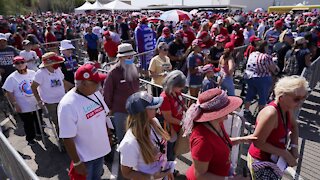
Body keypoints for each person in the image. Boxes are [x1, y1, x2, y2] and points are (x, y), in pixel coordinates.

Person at [182, 88, 256, 179]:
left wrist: (243, 139)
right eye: (225, 109)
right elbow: (200, 176)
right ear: (215, 113)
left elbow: (220, 143)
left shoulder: (217, 123)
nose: (229, 111)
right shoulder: (202, 141)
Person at [58, 63, 113, 180]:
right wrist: (77, 162)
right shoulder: (68, 105)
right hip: (85, 158)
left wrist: (108, 133)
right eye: (96, 83)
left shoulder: (95, 93)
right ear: (84, 83)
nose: (99, 86)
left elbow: (104, 115)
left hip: (100, 152)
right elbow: (67, 137)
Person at [247, 76, 308, 180]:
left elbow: (294, 126)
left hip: (274, 160)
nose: (300, 103)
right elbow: (258, 142)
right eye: (297, 99)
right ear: (282, 95)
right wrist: (285, 154)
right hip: (261, 161)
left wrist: (294, 147)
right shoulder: (271, 114)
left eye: (303, 98)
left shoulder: (287, 108)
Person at [118, 91, 174, 180]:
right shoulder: (130, 143)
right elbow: (127, 173)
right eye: (152, 107)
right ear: (142, 113)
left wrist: (167, 172)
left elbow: (162, 150)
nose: (156, 109)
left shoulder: (154, 121)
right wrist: (152, 177)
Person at [103, 43, 139, 143]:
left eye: (132, 56)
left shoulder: (133, 68)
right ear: (122, 57)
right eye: (129, 56)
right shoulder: (114, 72)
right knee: (123, 138)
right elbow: (107, 92)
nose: (131, 58)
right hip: (120, 111)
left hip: (135, 110)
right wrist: (108, 109)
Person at [2, 56, 42, 146]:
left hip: (36, 101)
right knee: (28, 122)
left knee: (38, 118)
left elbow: (39, 85)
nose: (20, 65)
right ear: (14, 65)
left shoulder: (33, 73)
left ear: (25, 63)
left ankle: (40, 133)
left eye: (21, 62)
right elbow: (9, 92)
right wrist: (15, 104)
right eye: (17, 63)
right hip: (23, 104)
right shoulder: (12, 77)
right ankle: (30, 138)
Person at [31, 52, 67, 136]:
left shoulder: (58, 70)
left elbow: (63, 82)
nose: (58, 64)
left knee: (67, 121)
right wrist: (39, 101)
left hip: (62, 99)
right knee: (59, 124)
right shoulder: (40, 73)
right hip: (50, 103)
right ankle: (63, 143)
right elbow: (33, 87)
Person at [244, 41, 279, 123]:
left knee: (249, 94)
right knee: (262, 97)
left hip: (250, 77)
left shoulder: (253, 54)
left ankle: (246, 110)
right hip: (262, 78)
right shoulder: (266, 57)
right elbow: (273, 69)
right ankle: (260, 115)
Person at [160, 70, 187, 175]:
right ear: (172, 85)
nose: (182, 89)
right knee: (168, 153)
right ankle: (167, 172)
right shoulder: (165, 97)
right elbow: (168, 117)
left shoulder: (176, 92)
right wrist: (182, 123)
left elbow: (182, 105)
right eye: (180, 86)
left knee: (173, 152)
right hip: (169, 130)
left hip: (177, 128)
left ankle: (170, 170)